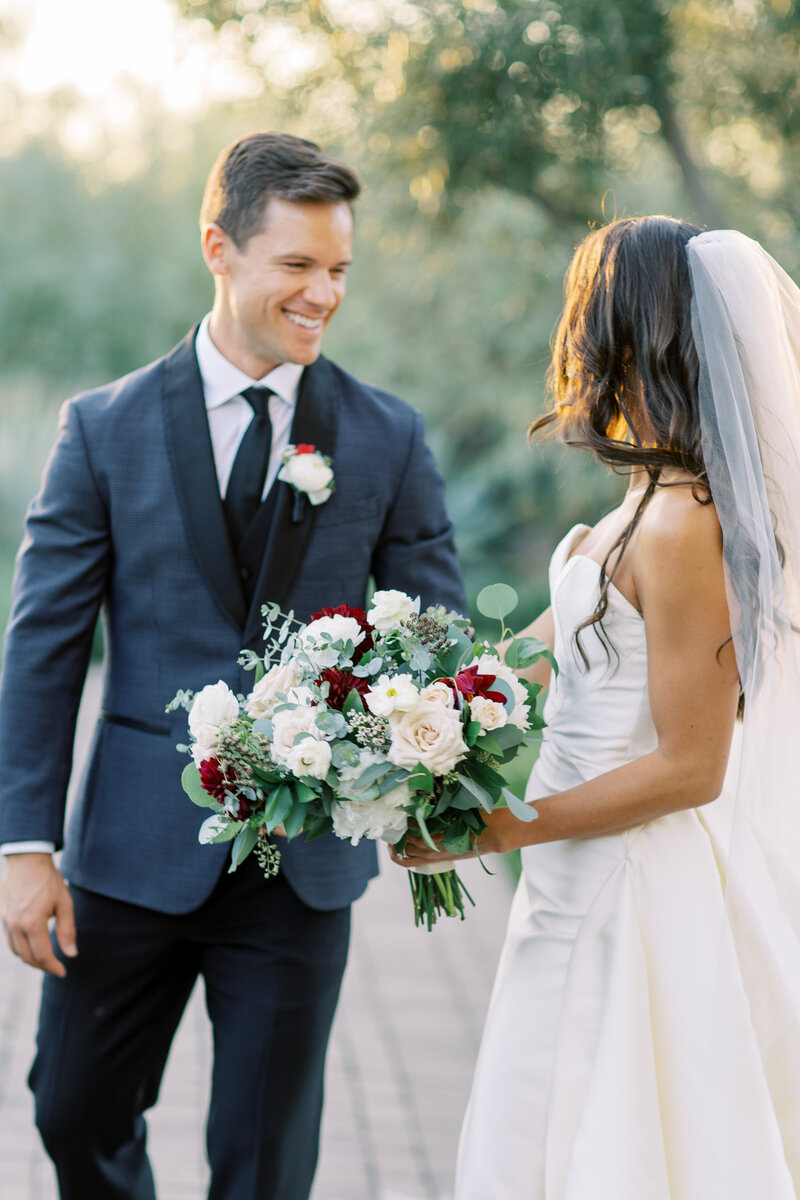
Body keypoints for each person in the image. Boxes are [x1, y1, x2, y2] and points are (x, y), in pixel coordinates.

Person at [0, 131, 466, 1200]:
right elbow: (44, 646)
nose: (323, 295)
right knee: (72, 1113)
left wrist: (421, 781)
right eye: (297, 267)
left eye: (339, 269)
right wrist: (25, 843)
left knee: (264, 1163)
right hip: (127, 853)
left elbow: (436, 637)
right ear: (219, 248)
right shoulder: (103, 428)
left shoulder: (385, 438)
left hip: (298, 866)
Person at [395, 217, 800, 1198]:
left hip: (628, 886)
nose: (569, 333)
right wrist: (370, 723)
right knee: (542, 1123)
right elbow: (519, 665)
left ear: (632, 329)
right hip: (570, 876)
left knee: (595, 1129)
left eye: (584, 308)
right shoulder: (636, 504)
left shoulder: (678, 525)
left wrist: (495, 830)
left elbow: (689, 767)